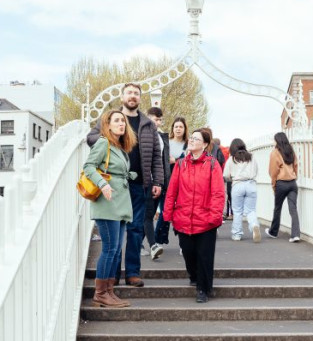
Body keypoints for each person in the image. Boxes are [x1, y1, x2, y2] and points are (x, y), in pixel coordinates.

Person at [87, 83, 164, 287]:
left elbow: (157, 155)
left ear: (140, 98)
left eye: (136, 94)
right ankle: (112, 276)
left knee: (136, 230)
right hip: (115, 185)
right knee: (116, 232)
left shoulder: (148, 124)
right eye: (129, 93)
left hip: (139, 184)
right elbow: (90, 137)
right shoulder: (110, 119)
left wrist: (158, 181)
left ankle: (132, 272)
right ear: (122, 96)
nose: (133, 96)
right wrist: (112, 137)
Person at [163, 128, 225, 303]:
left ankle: (203, 289)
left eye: (196, 139)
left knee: (205, 255)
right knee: (189, 253)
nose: (191, 140)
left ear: (205, 144)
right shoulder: (181, 165)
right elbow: (172, 191)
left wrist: (214, 217)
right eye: (191, 138)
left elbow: (218, 193)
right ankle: (194, 275)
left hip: (206, 220)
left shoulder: (213, 165)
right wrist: (168, 215)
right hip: (183, 218)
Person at [83, 109, 137, 307]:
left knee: (115, 251)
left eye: (123, 121)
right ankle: (100, 293)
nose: (121, 124)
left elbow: (115, 171)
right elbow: (88, 167)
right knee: (109, 248)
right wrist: (103, 184)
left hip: (120, 201)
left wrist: (128, 175)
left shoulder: (120, 146)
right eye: (117, 121)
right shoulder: (103, 142)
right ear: (108, 124)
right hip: (107, 203)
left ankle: (109, 291)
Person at [143, 107, 171, 259]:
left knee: (149, 214)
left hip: (157, 181)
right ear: (148, 118)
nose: (158, 122)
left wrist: (161, 182)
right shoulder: (142, 134)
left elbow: (161, 161)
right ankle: (152, 245)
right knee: (147, 215)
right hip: (145, 181)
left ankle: (141, 244)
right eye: (155, 119)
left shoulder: (160, 137)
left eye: (160, 119)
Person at [223, 138, 261, 242]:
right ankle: (254, 225)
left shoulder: (232, 159)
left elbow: (226, 175)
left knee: (237, 211)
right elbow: (256, 170)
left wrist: (232, 178)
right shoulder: (252, 157)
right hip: (251, 184)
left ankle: (236, 234)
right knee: (251, 210)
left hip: (238, 184)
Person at [265, 132, 300, 243]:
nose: (273, 142)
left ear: (278, 141)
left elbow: (273, 171)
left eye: (274, 140)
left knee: (277, 208)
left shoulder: (275, 152)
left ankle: (273, 232)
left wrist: (274, 185)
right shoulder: (291, 150)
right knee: (293, 209)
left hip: (281, 183)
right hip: (293, 183)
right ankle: (296, 235)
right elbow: (295, 165)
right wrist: (294, 176)